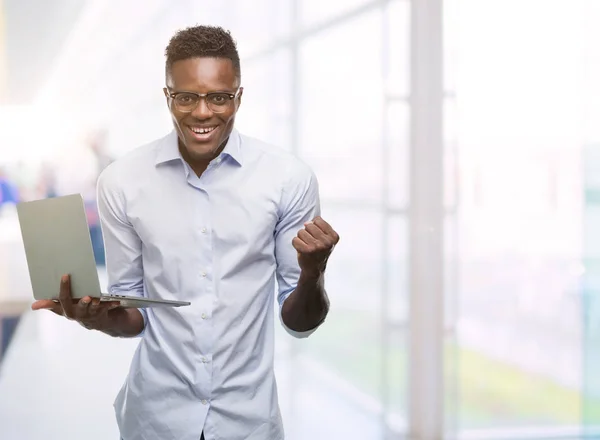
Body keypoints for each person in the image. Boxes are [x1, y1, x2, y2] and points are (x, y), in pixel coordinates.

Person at [31, 25, 339, 440]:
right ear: (167, 96)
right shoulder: (121, 182)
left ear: (239, 96)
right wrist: (97, 319)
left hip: (246, 422)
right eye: (186, 96)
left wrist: (312, 272)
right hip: (154, 418)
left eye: (219, 97)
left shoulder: (288, 179)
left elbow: (300, 323)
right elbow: (134, 315)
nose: (202, 112)